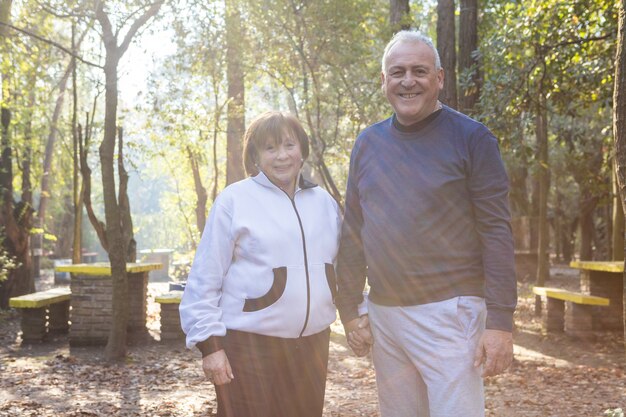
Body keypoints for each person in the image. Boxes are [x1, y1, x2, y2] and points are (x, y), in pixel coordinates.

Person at [336, 30, 517, 417]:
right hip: (384, 315)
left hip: (450, 314)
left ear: (439, 78)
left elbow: (496, 232)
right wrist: (349, 308)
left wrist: (500, 323)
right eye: (397, 71)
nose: (408, 81)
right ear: (383, 81)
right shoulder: (367, 143)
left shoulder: (473, 139)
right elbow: (353, 228)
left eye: (420, 71)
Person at [179, 111, 345, 417]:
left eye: (288, 145)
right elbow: (205, 279)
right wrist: (210, 347)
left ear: (302, 150)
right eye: (270, 148)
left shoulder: (324, 203)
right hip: (249, 348)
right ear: (256, 155)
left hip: (312, 348)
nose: (282, 156)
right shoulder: (234, 201)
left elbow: (339, 269)